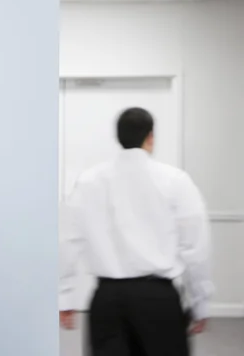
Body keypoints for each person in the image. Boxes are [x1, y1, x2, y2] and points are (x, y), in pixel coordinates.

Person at [58, 107, 214, 356]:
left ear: (118, 137)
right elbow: (195, 247)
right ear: (150, 136)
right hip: (158, 300)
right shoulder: (175, 180)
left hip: (107, 301)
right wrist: (201, 301)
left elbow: (67, 240)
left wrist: (64, 297)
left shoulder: (88, 181)